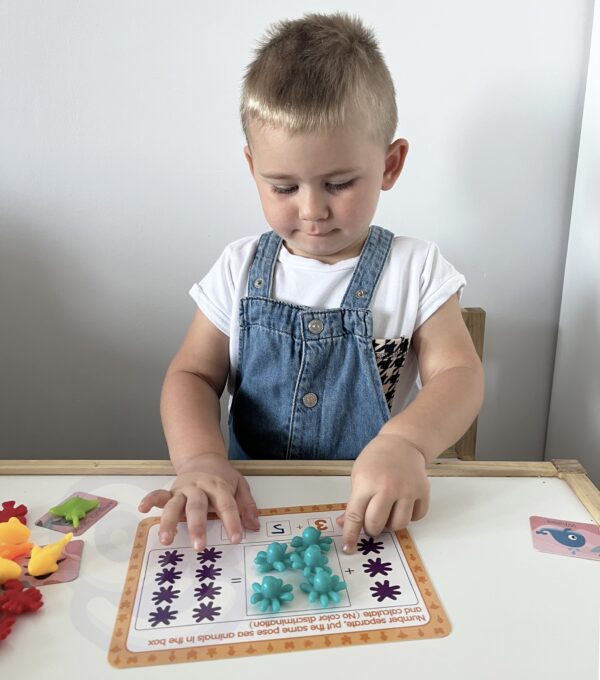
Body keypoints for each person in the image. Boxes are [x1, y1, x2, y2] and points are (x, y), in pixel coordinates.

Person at [139, 12, 484, 555]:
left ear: (390, 165)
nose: (313, 210)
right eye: (283, 186)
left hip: (373, 509)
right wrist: (201, 459)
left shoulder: (416, 269)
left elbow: (459, 374)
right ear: (252, 168)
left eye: (339, 183)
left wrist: (406, 444)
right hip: (252, 510)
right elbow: (191, 375)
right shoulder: (239, 267)